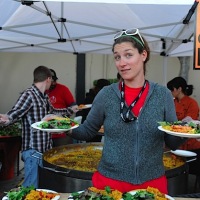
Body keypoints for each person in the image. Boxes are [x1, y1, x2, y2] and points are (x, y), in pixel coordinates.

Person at [66, 28, 186, 194]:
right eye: (117, 57)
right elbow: (86, 131)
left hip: (151, 186)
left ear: (143, 55)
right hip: (108, 184)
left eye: (128, 55)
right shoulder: (106, 94)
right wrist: (62, 126)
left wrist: (186, 129)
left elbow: (172, 141)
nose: (121, 62)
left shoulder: (162, 94)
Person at [0, 66, 76, 188]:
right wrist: (6, 119)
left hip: (44, 150)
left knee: (41, 188)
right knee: (30, 188)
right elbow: (15, 113)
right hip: (33, 151)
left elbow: (53, 113)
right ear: (48, 79)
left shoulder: (44, 96)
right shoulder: (28, 94)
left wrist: (70, 110)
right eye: (51, 80)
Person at [167, 76, 200, 185]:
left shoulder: (192, 103)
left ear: (179, 89)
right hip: (177, 142)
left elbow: (190, 123)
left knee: (191, 169)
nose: (171, 92)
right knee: (177, 168)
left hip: (191, 144)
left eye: (172, 89)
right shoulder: (173, 102)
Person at [46, 68, 78, 146]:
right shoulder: (41, 91)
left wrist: (66, 115)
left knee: (63, 155)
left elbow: (74, 107)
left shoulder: (63, 89)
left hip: (62, 133)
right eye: (51, 81)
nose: (53, 83)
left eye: (54, 81)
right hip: (45, 134)